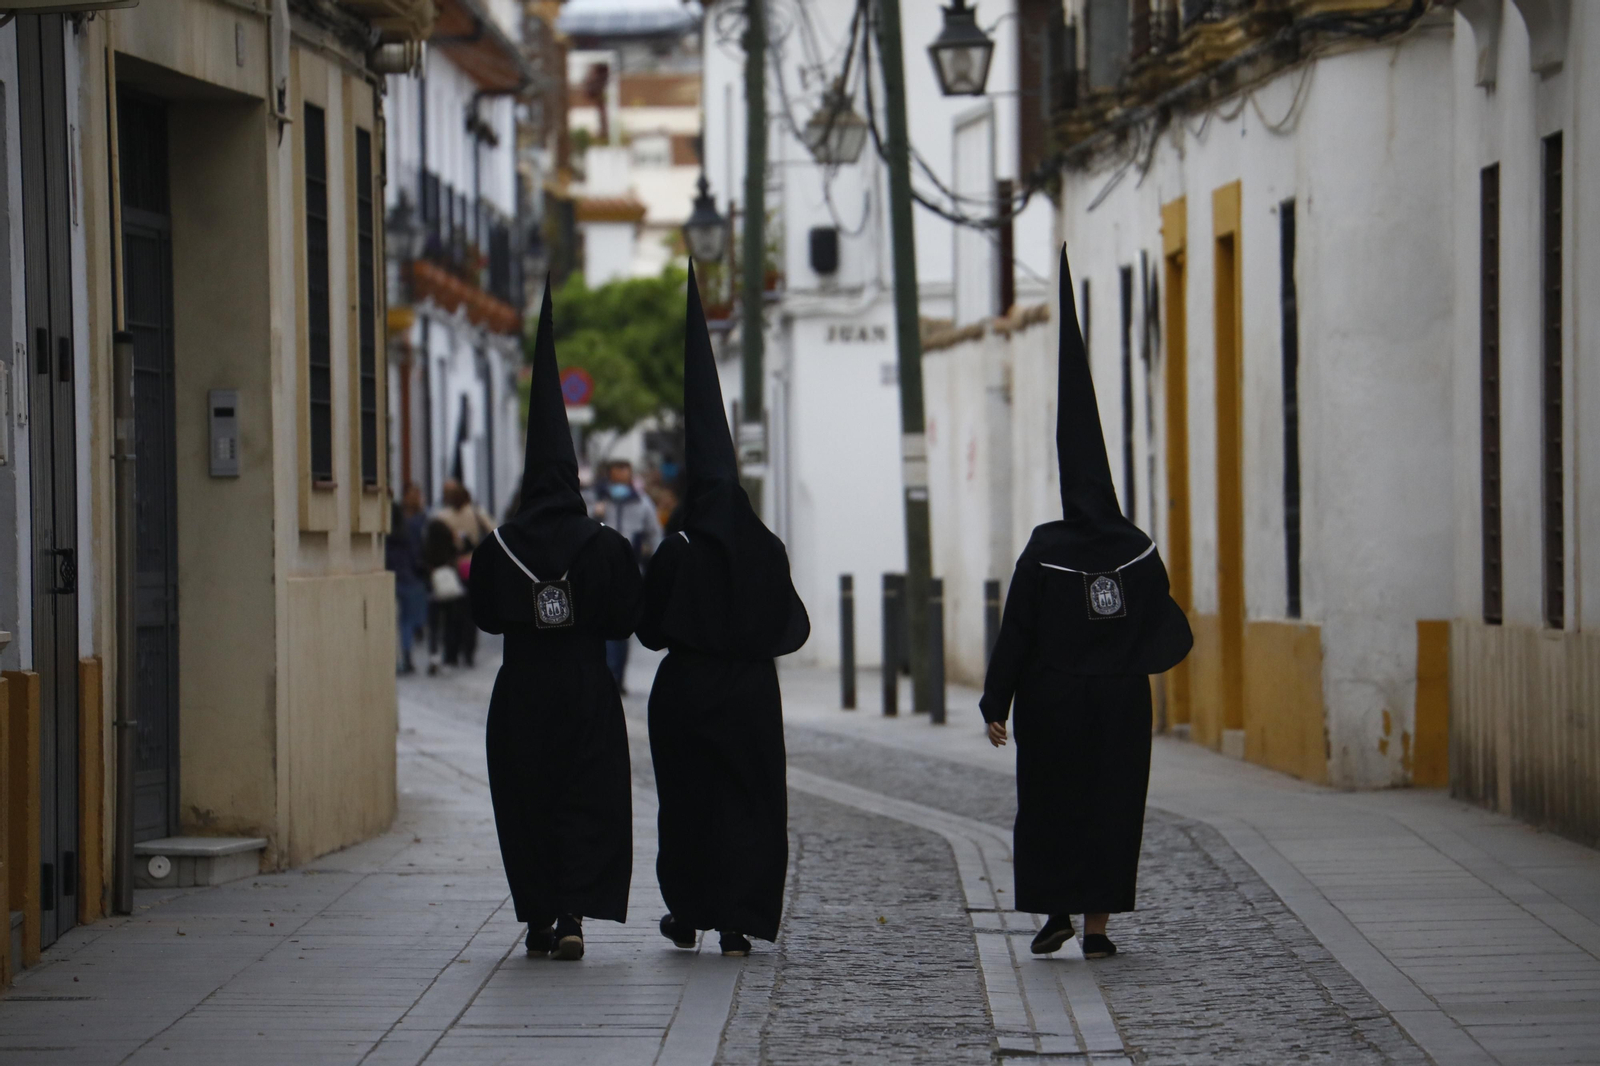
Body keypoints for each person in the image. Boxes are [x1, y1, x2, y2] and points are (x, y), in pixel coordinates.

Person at [980, 248, 1193, 961]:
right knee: (1113, 808)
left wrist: (996, 702)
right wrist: (1124, 656)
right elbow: (1167, 626)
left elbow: (1016, 630)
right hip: (1121, 704)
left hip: (1054, 701)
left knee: (1051, 806)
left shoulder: (1045, 547)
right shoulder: (1137, 547)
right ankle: (1097, 928)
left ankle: (1055, 911)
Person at [468, 283, 643, 962]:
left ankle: (538, 916)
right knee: (585, 796)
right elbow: (627, 620)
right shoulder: (605, 546)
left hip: (521, 688)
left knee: (527, 799)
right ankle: (573, 913)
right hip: (586, 687)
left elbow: (485, 618)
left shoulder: (497, 546)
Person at [639, 265, 809, 957]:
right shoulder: (766, 548)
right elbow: (792, 626)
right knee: (749, 800)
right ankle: (738, 918)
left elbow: (649, 631)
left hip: (687, 690)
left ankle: (689, 910)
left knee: (689, 803)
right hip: (752, 692)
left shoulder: (678, 549)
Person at [591, 458, 661, 691]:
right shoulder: (598, 500)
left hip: (630, 571)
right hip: (600, 571)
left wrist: (653, 560)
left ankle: (617, 677)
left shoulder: (642, 502)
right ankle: (609, 675)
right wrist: (596, 514)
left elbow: (654, 533)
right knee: (603, 625)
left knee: (622, 626)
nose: (621, 479)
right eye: (617, 474)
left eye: (624, 474)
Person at [437, 480, 494, 668]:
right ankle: (469, 652)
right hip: (472, 565)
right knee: (471, 612)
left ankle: (451, 653)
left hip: (454, 566)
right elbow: (494, 529)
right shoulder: (476, 513)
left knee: (452, 613)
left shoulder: (444, 517)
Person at [388, 482, 430, 674]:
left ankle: (403, 656)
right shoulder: (419, 522)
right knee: (409, 619)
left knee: (400, 620)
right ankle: (406, 655)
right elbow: (419, 550)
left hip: (395, 572)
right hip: (411, 575)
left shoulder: (396, 518)